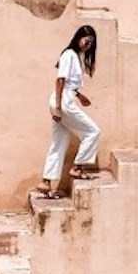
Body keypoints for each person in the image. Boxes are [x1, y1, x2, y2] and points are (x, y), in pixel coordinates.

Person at [35, 25, 100, 199]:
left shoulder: (77, 56)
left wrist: (80, 96)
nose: (88, 45)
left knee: (59, 142)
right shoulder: (69, 54)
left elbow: (70, 84)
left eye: (91, 44)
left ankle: (46, 182)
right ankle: (78, 167)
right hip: (62, 102)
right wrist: (58, 106)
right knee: (93, 131)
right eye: (87, 41)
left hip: (65, 100)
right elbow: (60, 81)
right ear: (79, 37)